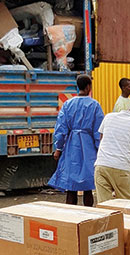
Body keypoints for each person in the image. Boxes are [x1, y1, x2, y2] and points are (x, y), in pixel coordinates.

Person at [48, 74, 104, 207]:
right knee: (88, 186)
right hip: (88, 147)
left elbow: (61, 129)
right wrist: (99, 148)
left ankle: (71, 218)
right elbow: (99, 131)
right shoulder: (95, 105)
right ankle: (88, 215)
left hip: (71, 148)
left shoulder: (68, 104)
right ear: (89, 86)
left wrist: (58, 149)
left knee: (71, 186)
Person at [94, 106, 130, 203]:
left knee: (104, 205)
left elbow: (101, 139)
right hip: (122, 168)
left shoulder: (108, 117)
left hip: (101, 165)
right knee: (127, 205)